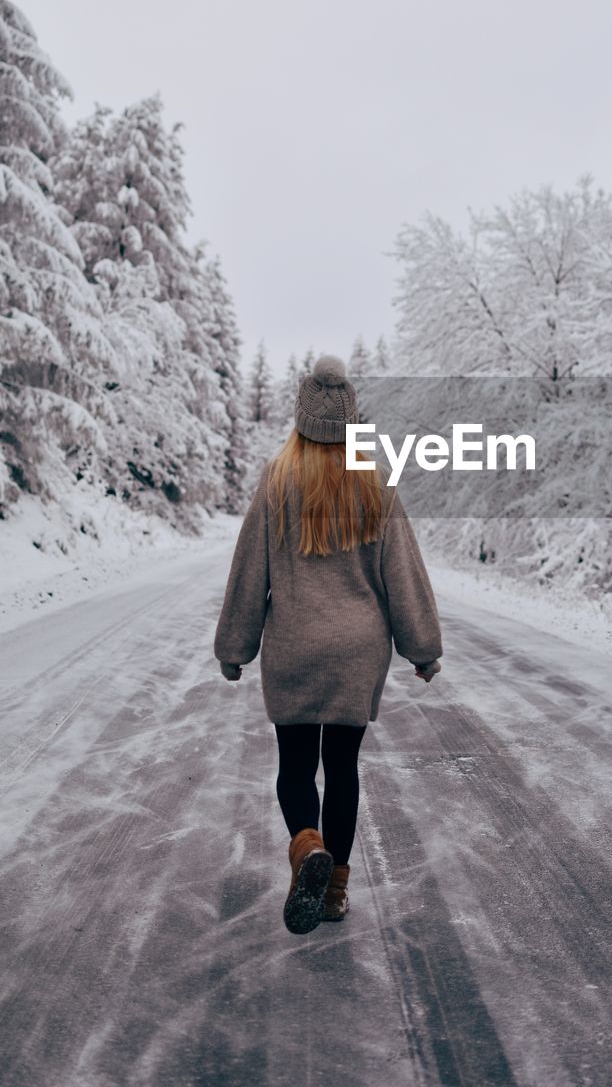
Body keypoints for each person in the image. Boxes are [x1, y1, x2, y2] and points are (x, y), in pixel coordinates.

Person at [213, 354, 443, 935]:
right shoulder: (376, 484)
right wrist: (423, 648)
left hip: (294, 646)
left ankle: (305, 845)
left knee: (295, 769)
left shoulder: (277, 481)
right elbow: (404, 575)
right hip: (357, 654)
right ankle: (335, 889)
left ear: (300, 422)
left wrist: (234, 647)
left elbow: (250, 571)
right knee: (342, 770)